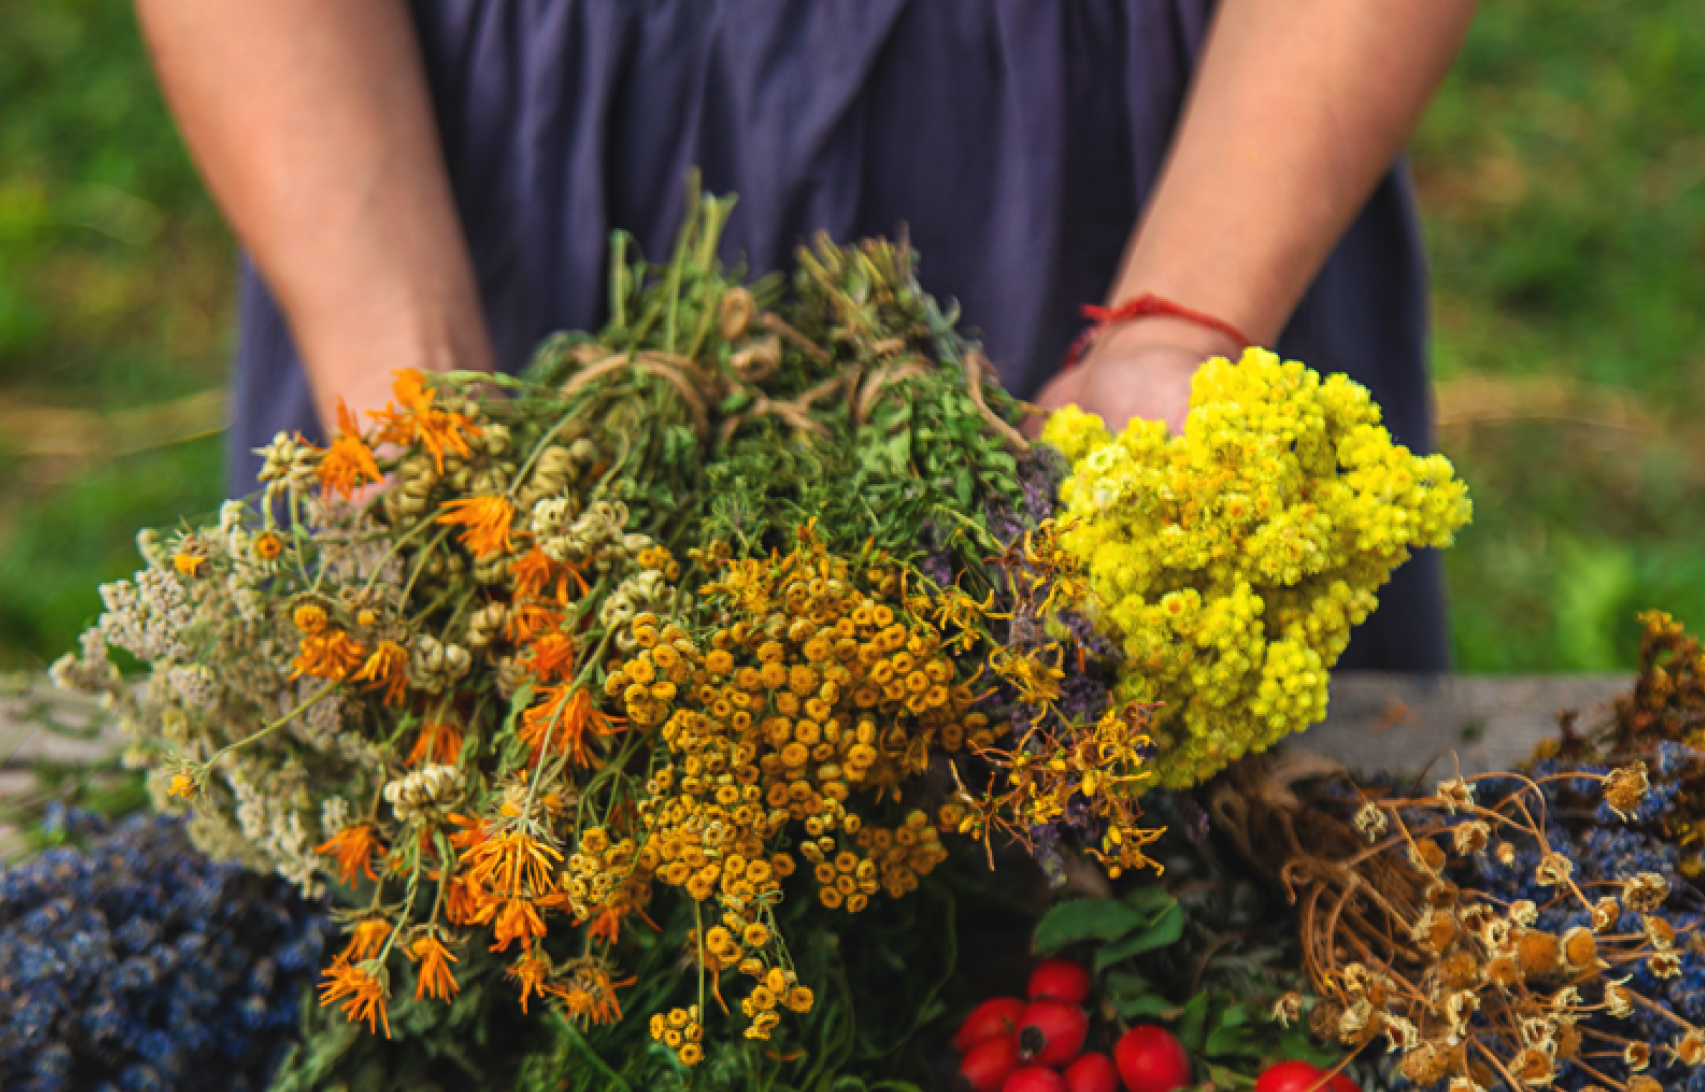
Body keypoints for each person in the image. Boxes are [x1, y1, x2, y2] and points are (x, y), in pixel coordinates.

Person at [136, 0, 1478, 670]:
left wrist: (1178, 324)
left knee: (1217, 956)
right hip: (461, 170)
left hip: (1155, 169)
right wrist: (406, 375)